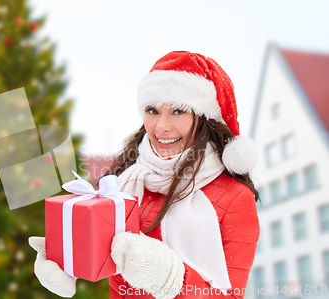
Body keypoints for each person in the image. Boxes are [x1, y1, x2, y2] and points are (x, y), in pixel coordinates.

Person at [29, 51, 260, 299]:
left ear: (205, 118)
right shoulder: (125, 181)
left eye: (178, 111)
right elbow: (111, 268)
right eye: (153, 110)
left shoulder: (236, 198)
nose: (161, 126)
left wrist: (170, 278)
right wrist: (69, 260)